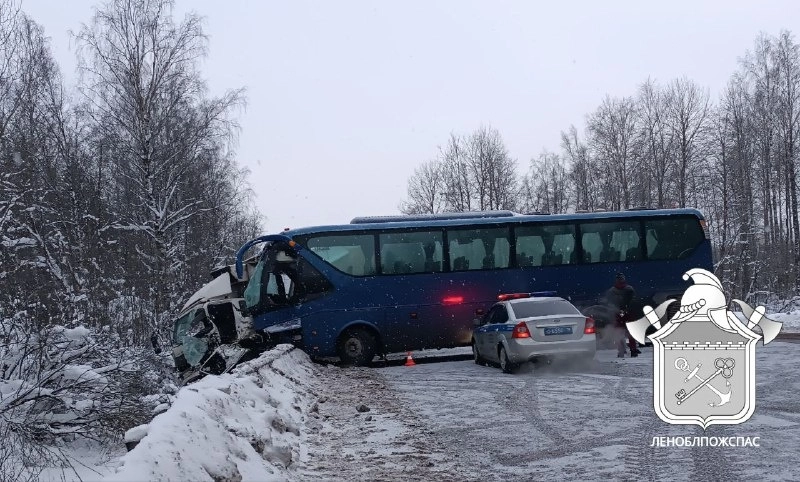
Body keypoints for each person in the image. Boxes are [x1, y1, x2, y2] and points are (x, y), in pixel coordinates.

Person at [605, 272, 640, 358]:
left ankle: (621, 350)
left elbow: (610, 303)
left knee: (619, 333)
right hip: (628, 314)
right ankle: (633, 350)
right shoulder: (629, 289)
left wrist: (617, 310)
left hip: (617, 314)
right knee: (630, 333)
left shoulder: (612, 291)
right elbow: (633, 302)